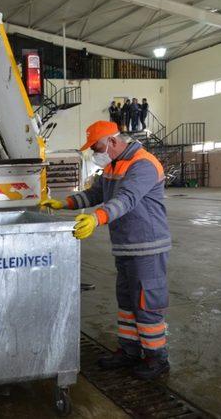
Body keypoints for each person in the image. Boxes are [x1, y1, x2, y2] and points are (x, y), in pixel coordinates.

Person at [40, 120, 171, 380]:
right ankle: (130, 351)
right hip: (125, 247)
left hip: (147, 247)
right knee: (127, 301)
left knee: (146, 301)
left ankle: (157, 358)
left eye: (96, 147)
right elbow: (94, 194)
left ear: (112, 141)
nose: (94, 153)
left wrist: (96, 219)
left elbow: (127, 199)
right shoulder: (112, 166)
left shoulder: (142, 164)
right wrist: (63, 203)